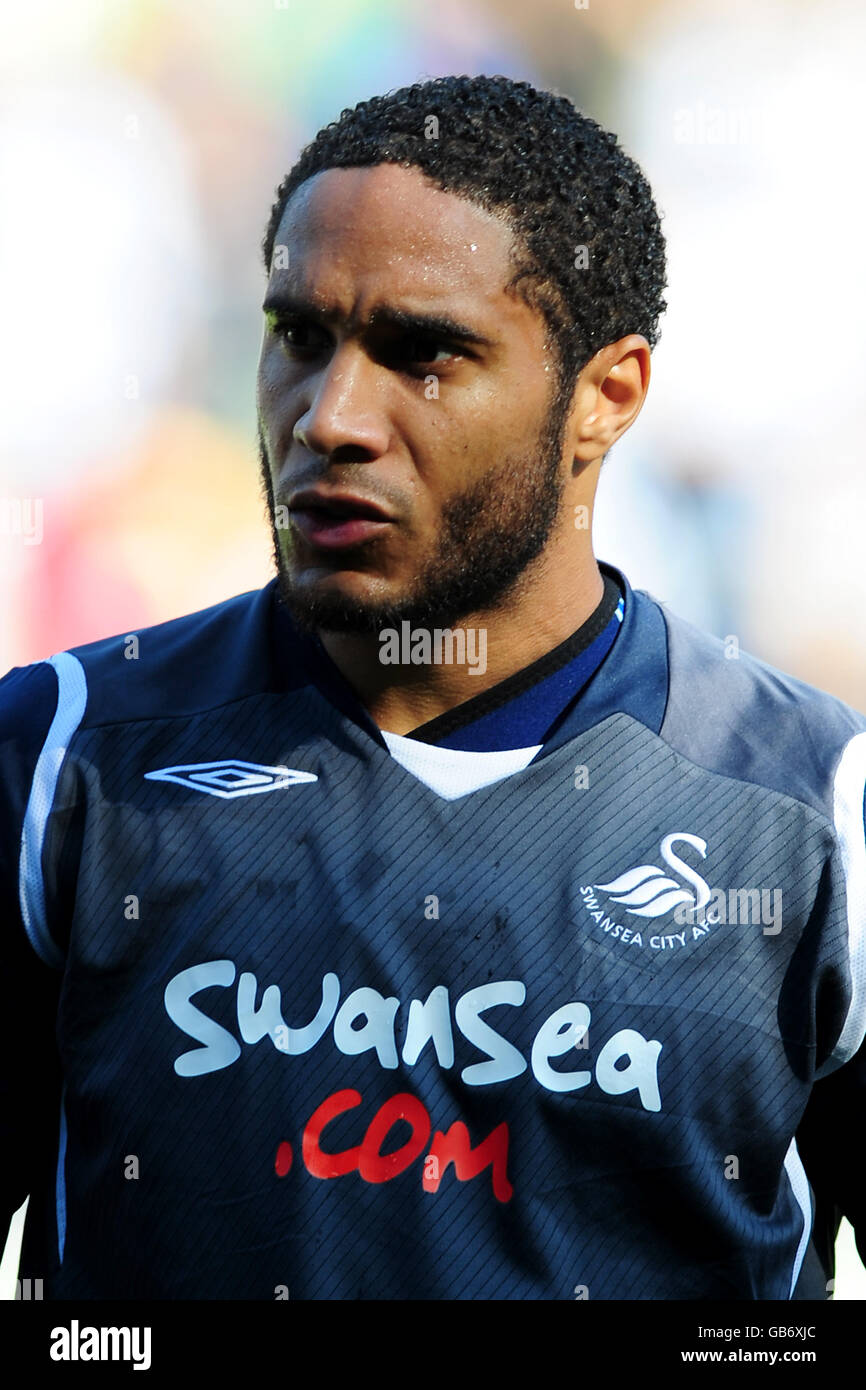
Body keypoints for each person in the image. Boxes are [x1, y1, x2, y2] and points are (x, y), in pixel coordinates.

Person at [1, 72, 863, 1301]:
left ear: (602, 397)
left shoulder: (811, 810)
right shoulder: (62, 758)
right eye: (299, 337)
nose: (330, 417)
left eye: (422, 354)